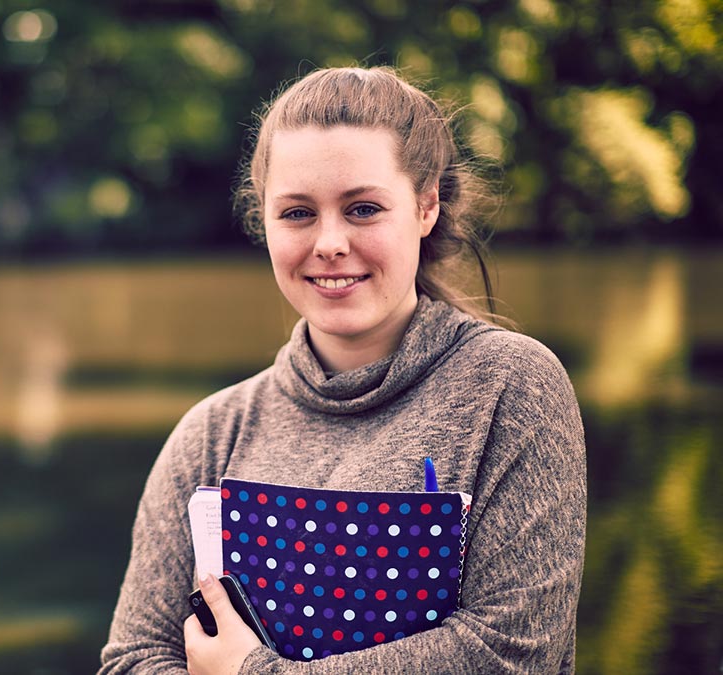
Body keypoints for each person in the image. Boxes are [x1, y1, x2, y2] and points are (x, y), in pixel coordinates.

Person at [98, 66, 586, 674]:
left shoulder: (510, 387)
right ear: (265, 222)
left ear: (426, 205)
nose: (329, 242)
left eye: (361, 208)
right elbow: (134, 660)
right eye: (298, 213)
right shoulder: (210, 436)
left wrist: (256, 672)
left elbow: (514, 655)